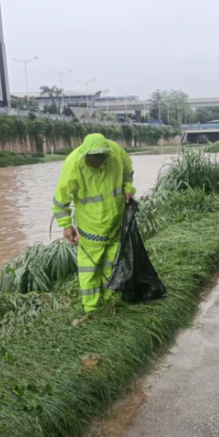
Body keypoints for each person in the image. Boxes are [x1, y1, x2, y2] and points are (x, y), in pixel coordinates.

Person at [52, 133, 136, 313]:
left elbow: (128, 171)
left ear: (107, 154)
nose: (97, 164)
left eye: (100, 160)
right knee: (89, 270)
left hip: (115, 225)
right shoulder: (73, 164)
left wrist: (128, 188)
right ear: (85, 155)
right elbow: (61, 200)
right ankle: (91, 307)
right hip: (91, 229)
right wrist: (66, 225)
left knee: (110, 264)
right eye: (92, 161)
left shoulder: (116, 152)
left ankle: (108, 300)